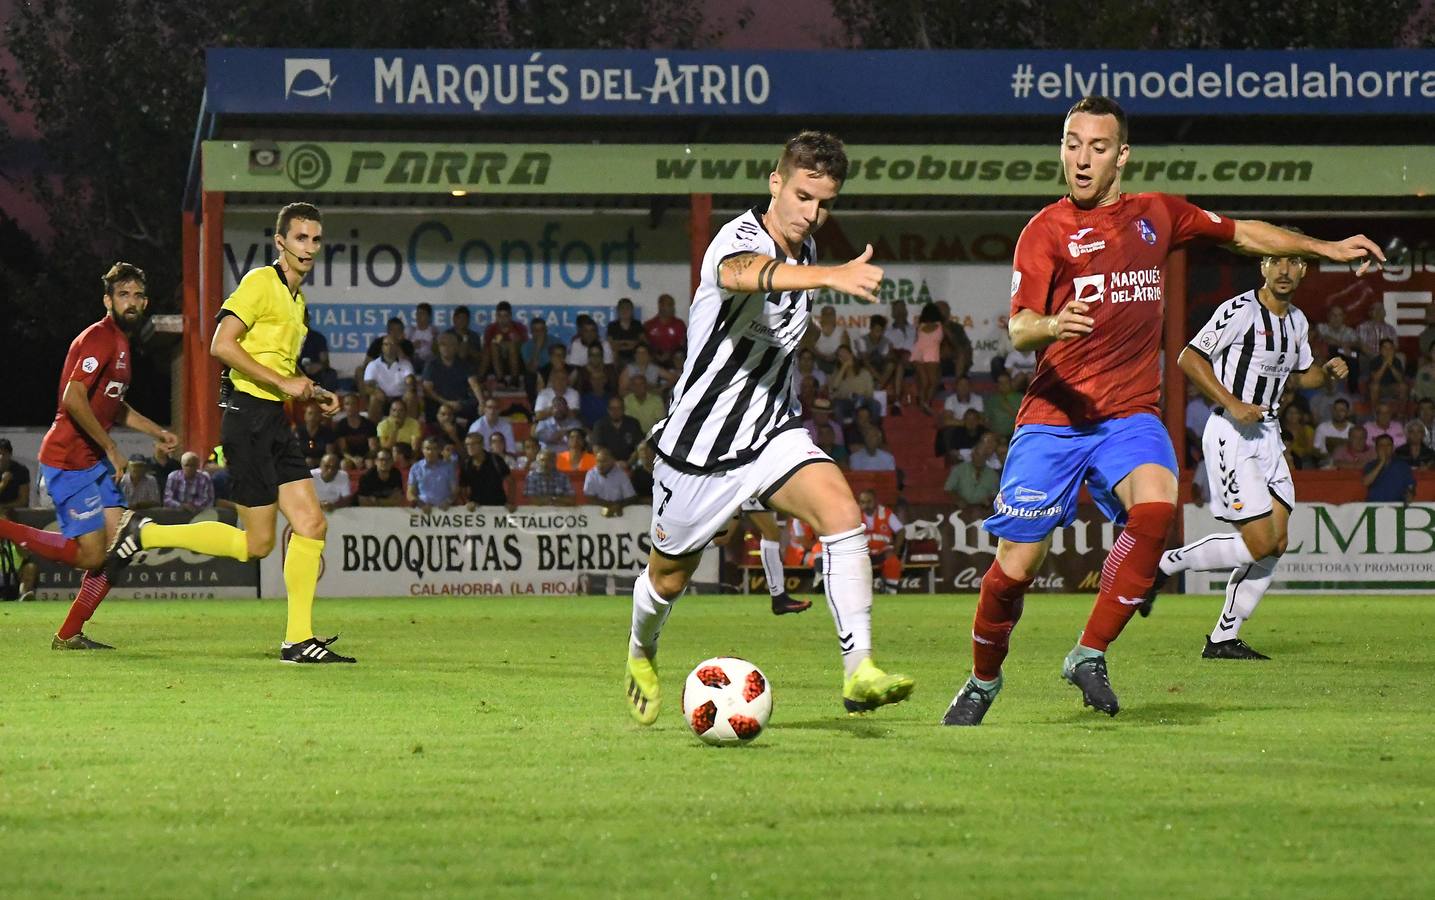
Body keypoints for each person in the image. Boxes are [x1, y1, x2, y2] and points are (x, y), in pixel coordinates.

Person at [942, 96, 1381, 726]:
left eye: (1096, 146)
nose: (1081, 158)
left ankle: (1088, 653)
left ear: (1121, 155)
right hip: (1055, 419)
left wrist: (1327, 249)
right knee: (1015, 569)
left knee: (1154, 507)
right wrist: (1050, 324)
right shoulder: (1044, 231)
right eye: (1071, 143)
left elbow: (1244, 234)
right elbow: (1017, 329)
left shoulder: (1158, 215)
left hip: (1128, 415)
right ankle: (983, 681)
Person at [624, 131, 913, 728]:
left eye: (825, 203)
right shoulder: (739, 237)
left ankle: (859, 671)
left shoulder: (806, 251)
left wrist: (819, 272)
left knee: (842, 514)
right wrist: (829, 277)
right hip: (698, 448)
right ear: (774, 181)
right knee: (667, 578)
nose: (812, 214)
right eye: (803, 196)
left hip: (770, 434)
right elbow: (740, 274)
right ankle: (640, 653)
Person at [108, 203, 356, 663]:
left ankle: (299, 639)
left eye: (315, 239)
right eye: (300, 238)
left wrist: (311, 389)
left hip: (274, 421)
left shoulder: (297, 301)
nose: (309, 247)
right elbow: (221, 343)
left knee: (311, 524)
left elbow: (275, 363)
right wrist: (284, 383)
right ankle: (148, 534)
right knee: (256, 545)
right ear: (280, 242)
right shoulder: (262, 282)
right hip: (247, 421)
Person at [1140, 247, 1348, 660]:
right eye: (1276, 261)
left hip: (1269, 433)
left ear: (1304, 270)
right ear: (1263, 267)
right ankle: (1164, 565)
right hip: (1231, 432)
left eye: (1293, 263)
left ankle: (1222, 638)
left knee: (1278, 541)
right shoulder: (1240, 310)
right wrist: (1233, 402)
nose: (1284, 270)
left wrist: (1326, 374)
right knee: (1258, 543)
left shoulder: (1298, 321)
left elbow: (1303, 376)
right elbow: (1189, 357)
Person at [0, 263, 179, 649]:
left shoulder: (122, 343)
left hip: (91, 461)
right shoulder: (99, 337)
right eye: (122, 295)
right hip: (69, 460)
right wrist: (113, 447)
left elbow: (114, 404)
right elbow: (73, 397)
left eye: (136, 296)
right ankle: (3, 528)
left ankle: (69, 635)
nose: (130, 302)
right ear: (107, 300)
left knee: (119, 549)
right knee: (92, 556)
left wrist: (156, 432)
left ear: (145, 302)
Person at [422, 332, 480, 423]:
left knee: (476, 406)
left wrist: (482, 402)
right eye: (443, 344)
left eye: (451, 344)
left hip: (459, 403)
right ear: (439, 347)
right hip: (439, 403)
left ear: (457, 347)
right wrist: (446, 403)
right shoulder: (431, 365)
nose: (446, 348)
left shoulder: (464, 365)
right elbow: (427, 390)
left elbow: (475, 385)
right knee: (430, 404)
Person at [856, 488, 903, 595]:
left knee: (893, 561)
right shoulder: (855, 515)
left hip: (883, 551)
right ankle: (861, 593)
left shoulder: (886, 513)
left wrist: (897, 549)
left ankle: (891, 591)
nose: (866, 505)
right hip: (863, 552)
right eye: (863, 502)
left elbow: (901, 531)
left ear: (875, 501)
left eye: (869, 502)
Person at [945, 432, 1000, 519]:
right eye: (977, 454)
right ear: (972, 454)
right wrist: (958, 499)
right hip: (960, 510)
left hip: (982, 512)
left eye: (983, 456)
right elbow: (948, 489)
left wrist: (989, 500)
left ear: (986, 458)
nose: (980, 458)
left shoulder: (992, 475)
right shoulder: (959, 469)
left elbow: (995, 495)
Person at [363, 334, 416, 421]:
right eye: (386, 344)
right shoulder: (373, 365)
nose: (389, 347)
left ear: (397, 347)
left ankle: (410, 429)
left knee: (411, 396)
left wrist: (409, 386)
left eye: (392, 344)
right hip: (383, 398)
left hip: (401, 398)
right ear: (382, 347)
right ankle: (372, 430)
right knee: (374, 397)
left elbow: (410, 380)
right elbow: (367, 386)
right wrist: (375, 391)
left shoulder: (406, 363)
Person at [407, 436, 458, 512]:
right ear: (422, 450)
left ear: (439, 450)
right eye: (427, 449)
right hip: (423, 511)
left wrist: (448, 502)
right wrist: (421, 504)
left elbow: (455, 491)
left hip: (445, 511)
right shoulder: (416, 468)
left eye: (434, 449)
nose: (430, 452)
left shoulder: (448, 467)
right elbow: (410, 493)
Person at [460, 433, 510, 508]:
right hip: (477, 510)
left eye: (473, 444)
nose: (470, 447)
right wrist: (468, 502)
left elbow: (510, 482)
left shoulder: (495, 460)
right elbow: (463, 488)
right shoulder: (466, 464)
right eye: (467, 444)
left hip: (498, 507)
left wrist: (510, 502)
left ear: (482, 444)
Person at [583, 446, 637, 515]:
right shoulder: (591, 474)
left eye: (604, 461)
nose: (600, 465)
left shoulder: (621, 474)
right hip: (596, 514)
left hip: (619, 514)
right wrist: (610, 505)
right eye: (598, 461)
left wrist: (618, 505)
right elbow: (589, 497)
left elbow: (631, 497)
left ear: (612, 461)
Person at [482, 300, 527, 384]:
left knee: (512, 345)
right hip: (497, 359)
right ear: (496, 316)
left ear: (510, 316)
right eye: (500, 316)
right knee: (493, 345)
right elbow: (487, 348)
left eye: (505, 316)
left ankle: (514, 379)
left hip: (517, 358)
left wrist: (511, 332)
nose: (502, 319)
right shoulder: (491, 329)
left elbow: (525, 346)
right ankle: (500, 379)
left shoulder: (519, 327)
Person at [910, 303, 943, 414]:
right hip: (931, 354)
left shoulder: (920, 326)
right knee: (933, 382)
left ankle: (923, 403)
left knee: (925, 381)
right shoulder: (940, 325)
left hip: (917, 354)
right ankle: (926, 403)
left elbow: (917, 340)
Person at [591, 396, 644, 463]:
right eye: (612, 408)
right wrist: (615, 463)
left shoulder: (633, 423)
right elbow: (597, 448)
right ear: (608, 409)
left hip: (632, 464)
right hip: (608, 465)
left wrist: (629, 463)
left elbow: (640, 446)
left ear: (624, 409)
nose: (615, 411)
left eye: (619, 408)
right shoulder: (599, 425)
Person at [1364, 434, 1415, 502]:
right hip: (1374, 506)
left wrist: (1410, 493)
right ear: (1376, 448)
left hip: (1397, 506)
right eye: (1381, 445)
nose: (1385, 448)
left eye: (1388, 445)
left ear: (1393, 448)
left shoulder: (1402, 466)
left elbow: (1410, 485)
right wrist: (1381, 462)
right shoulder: (1370, 465)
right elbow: (1366, 482)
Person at [332, 392, 378, 466]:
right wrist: (353, 459)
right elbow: (343, 450)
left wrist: (363, 459)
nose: (350, 407)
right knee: (344, 464)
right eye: (347, 404)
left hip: (366, 457)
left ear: (358, 406)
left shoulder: (369, 424)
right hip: (349, 458)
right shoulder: (341, 425)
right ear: (343, 407)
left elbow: (373, 449)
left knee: (370, 463)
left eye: (353, 403)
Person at [298, 308, 338, 392]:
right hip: (294, 371)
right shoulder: (288, 337)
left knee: (330, 374)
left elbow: (325, 361)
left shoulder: (317, 337)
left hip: (314, 373)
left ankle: (326, 401)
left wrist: (319, 366)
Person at [643, 293, 686, 367]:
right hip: (654, 359)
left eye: (673, 305)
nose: (672, 308)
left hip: (673, 359)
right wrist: (656, 355)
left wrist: (670, 353)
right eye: (669, 305)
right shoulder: (649, 325)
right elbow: (645, 344)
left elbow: (682, 344)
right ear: (660, 306)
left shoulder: (679, 324)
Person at [294, 401, 335, 468]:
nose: (313, 417)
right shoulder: (297, 431)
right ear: (305, 416)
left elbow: (329, 454)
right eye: (310, 413)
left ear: (320, 417)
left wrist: (316, 461)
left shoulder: (327, 432)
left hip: (322, 467)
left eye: (316, 414)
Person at [607, 297, 644, 368]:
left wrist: (620, 343)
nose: (625, 311)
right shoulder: (612, 325)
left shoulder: (637, 324)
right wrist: (630, 343)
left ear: (632, 310)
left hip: (635, 357)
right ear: (618, 310)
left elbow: (641, 343)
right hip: (618, 358)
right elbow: (612, 345)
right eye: (622, 308)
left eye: (628, 308)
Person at [0, 438, 31, 512]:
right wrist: (3, 483)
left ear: (10, 454)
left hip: (14, 512)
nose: (1, 457)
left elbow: (24, 501)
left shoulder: (20, 471)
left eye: (4, 454)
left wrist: (3, 507)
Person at [407, 301, 440, 367]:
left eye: (422, 314)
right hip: (412, 361)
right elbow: (403, 350)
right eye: (417, 314)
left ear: (429, 316)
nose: (419, 317)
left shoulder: (434, 331)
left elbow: (438, 352)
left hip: (429, 362)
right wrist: (412, 346)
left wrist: (434, 339)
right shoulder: (410, 331)